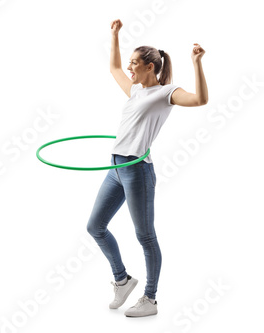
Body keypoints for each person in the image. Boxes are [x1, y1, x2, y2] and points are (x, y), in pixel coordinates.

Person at [86, 19, 208, 317]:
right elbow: (114, 69)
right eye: (130, 63)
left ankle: (150, 299)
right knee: (95, 227)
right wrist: (114, 35)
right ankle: (122, 279)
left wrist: (197, 63)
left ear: (150, 67)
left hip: (137, 171)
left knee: (145, 236)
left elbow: (201, 100)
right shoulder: (136, 90)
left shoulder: (166, 93)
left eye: (135, 64)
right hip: (115, 167)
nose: (129, 69)